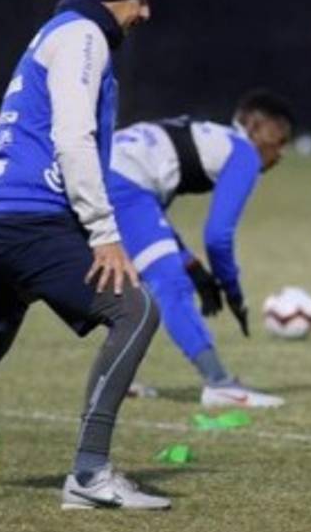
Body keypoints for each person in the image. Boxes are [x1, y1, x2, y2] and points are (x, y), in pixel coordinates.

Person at [0, 0, 170, 511]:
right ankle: (89, 474)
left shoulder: (54, 34)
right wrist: (104, 234)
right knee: (135, 312)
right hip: (30, 222)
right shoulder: (84, 36)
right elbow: (72, 137)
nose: (145, 12)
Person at [107, 91, 295, 408]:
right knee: (170, 284)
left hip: (97, 171)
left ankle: (115, 378)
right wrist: (232, 291)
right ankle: (219, 383)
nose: (281, 152)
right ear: (255, 127)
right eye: (280, 140)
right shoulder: (244, 153)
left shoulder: (210, 136)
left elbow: (153, 220)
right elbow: (218, 237)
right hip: (122, 184)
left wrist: (194, 268)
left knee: (124, 286)